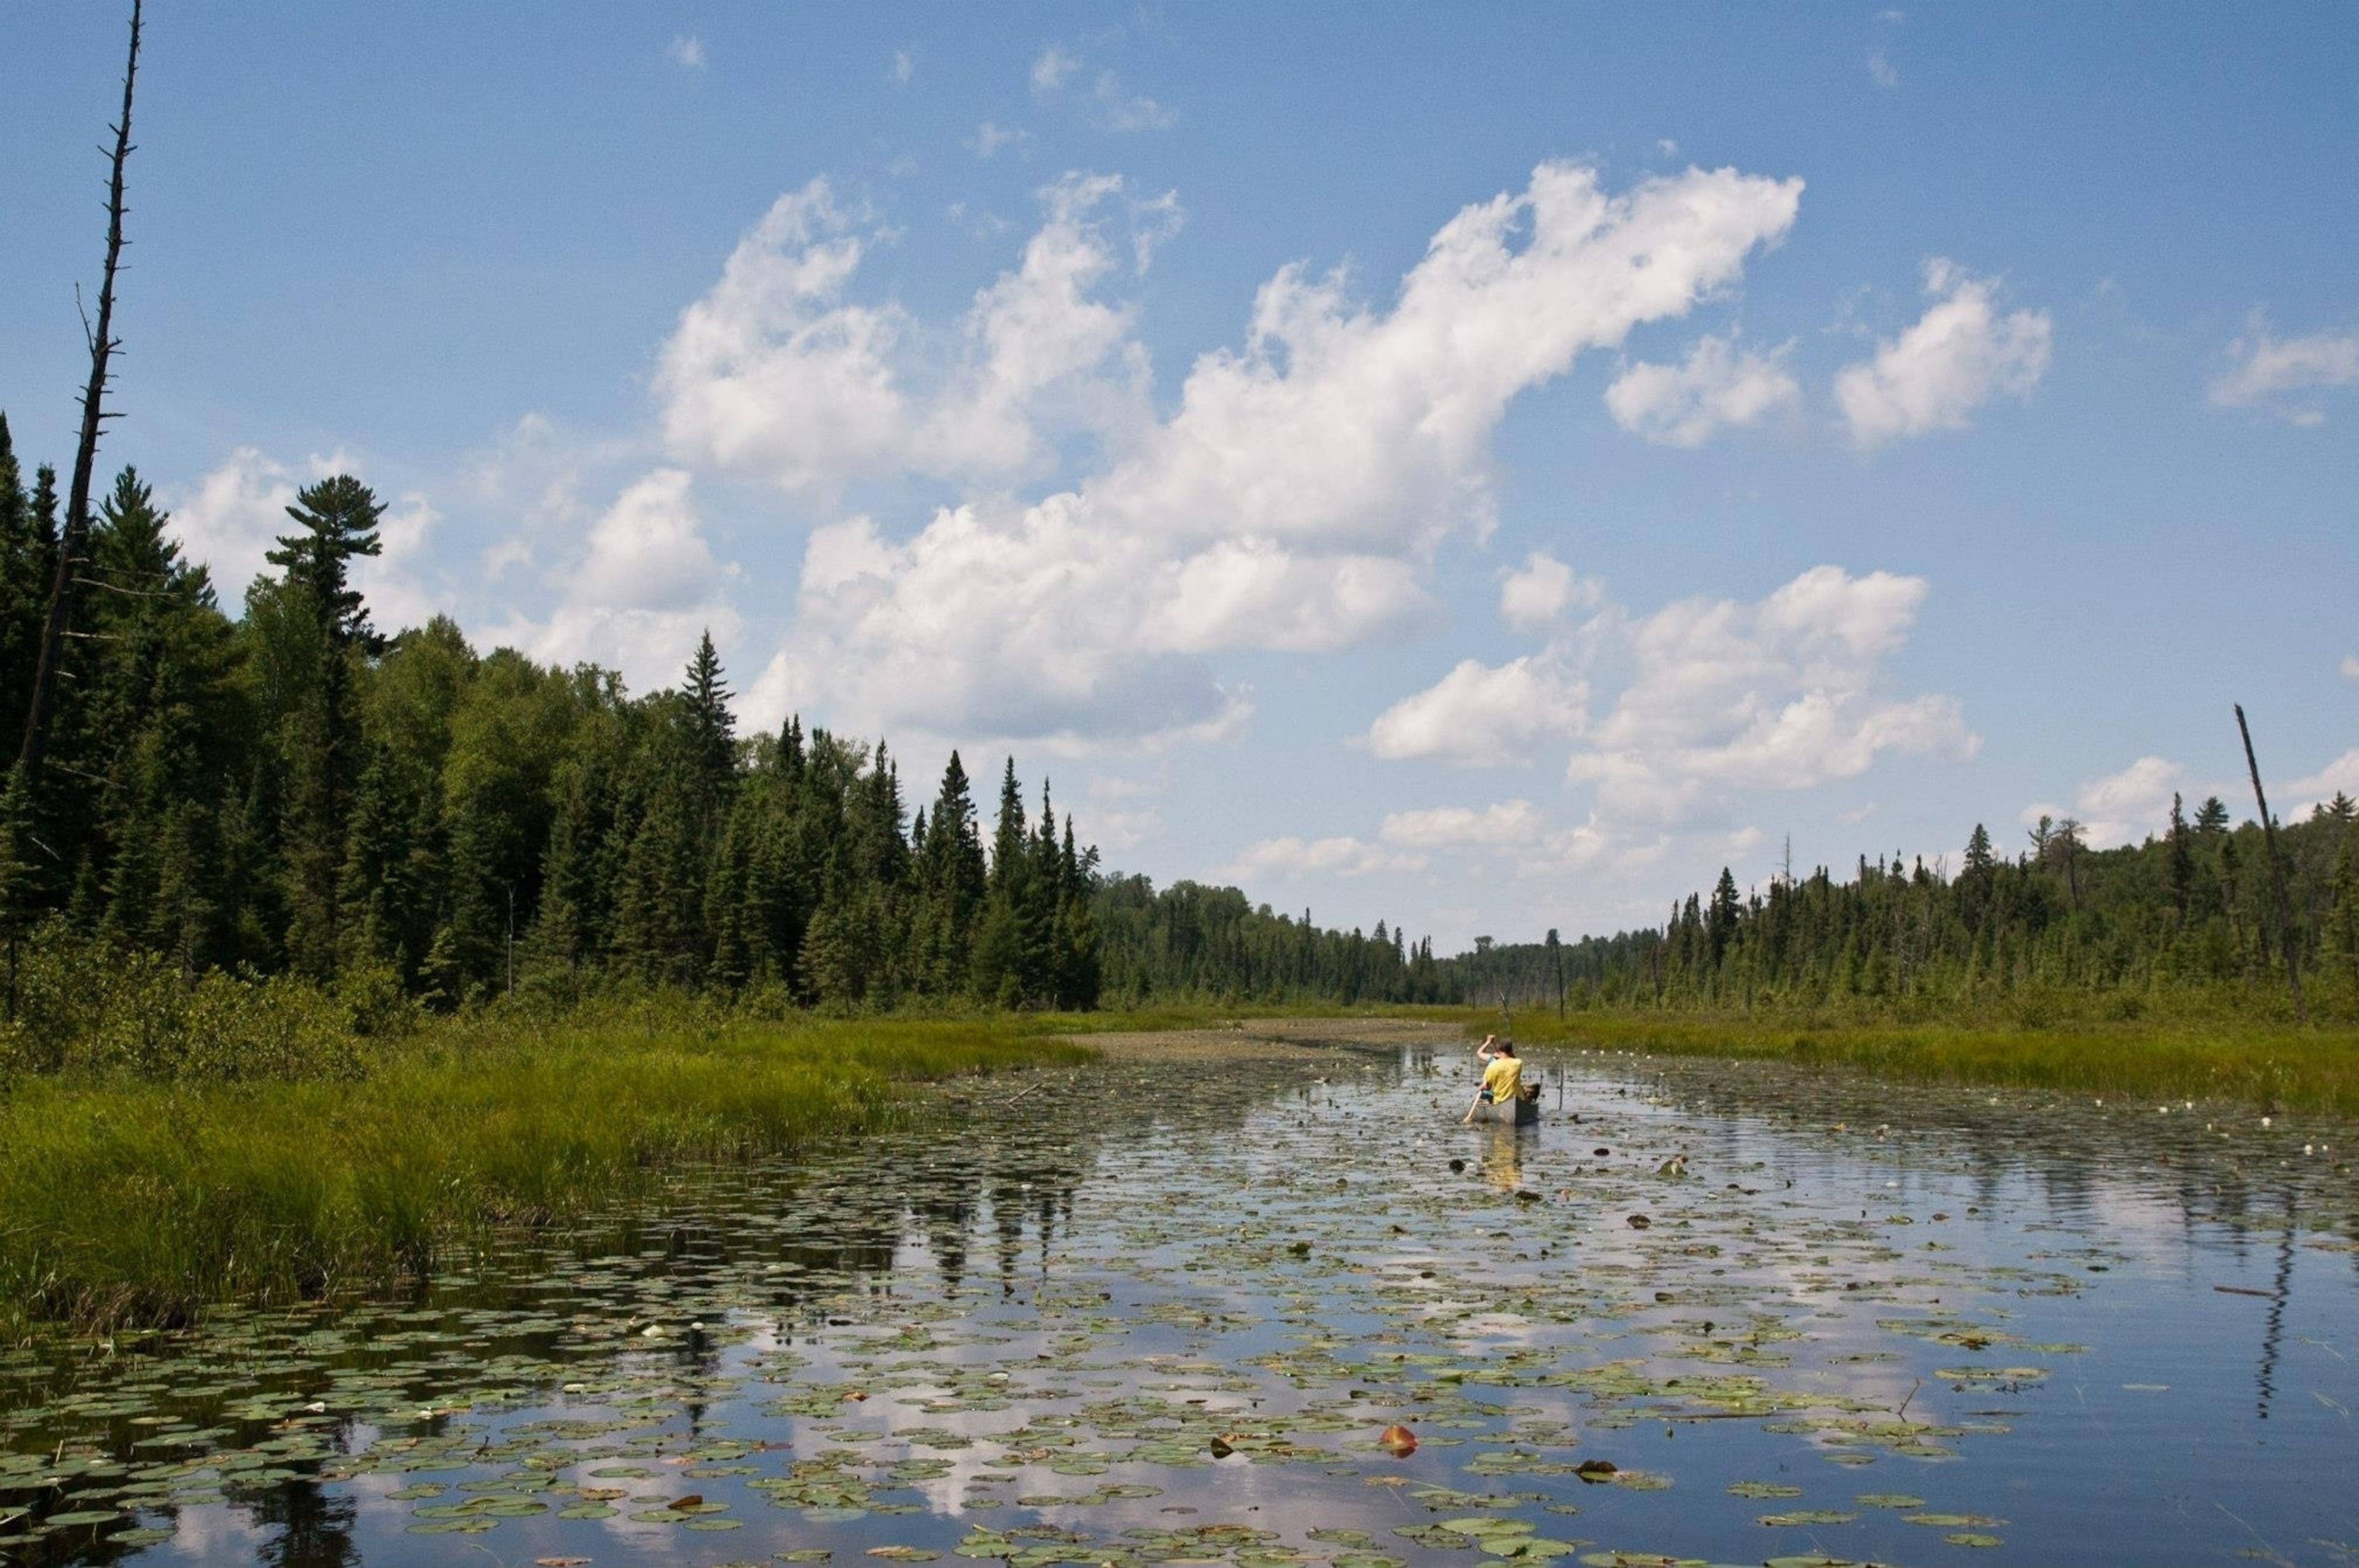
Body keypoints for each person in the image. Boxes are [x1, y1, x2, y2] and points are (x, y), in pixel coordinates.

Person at [1463, 1035, 1522, 1121]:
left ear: (1499, 1051)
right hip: (1513, 1098)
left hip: (1498, 1099)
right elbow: (1512, 1057)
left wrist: (1481, 1087)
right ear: (1510, 1051)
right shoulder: (1518, 1063)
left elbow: (1487, 1087)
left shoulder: (1492, 1066)